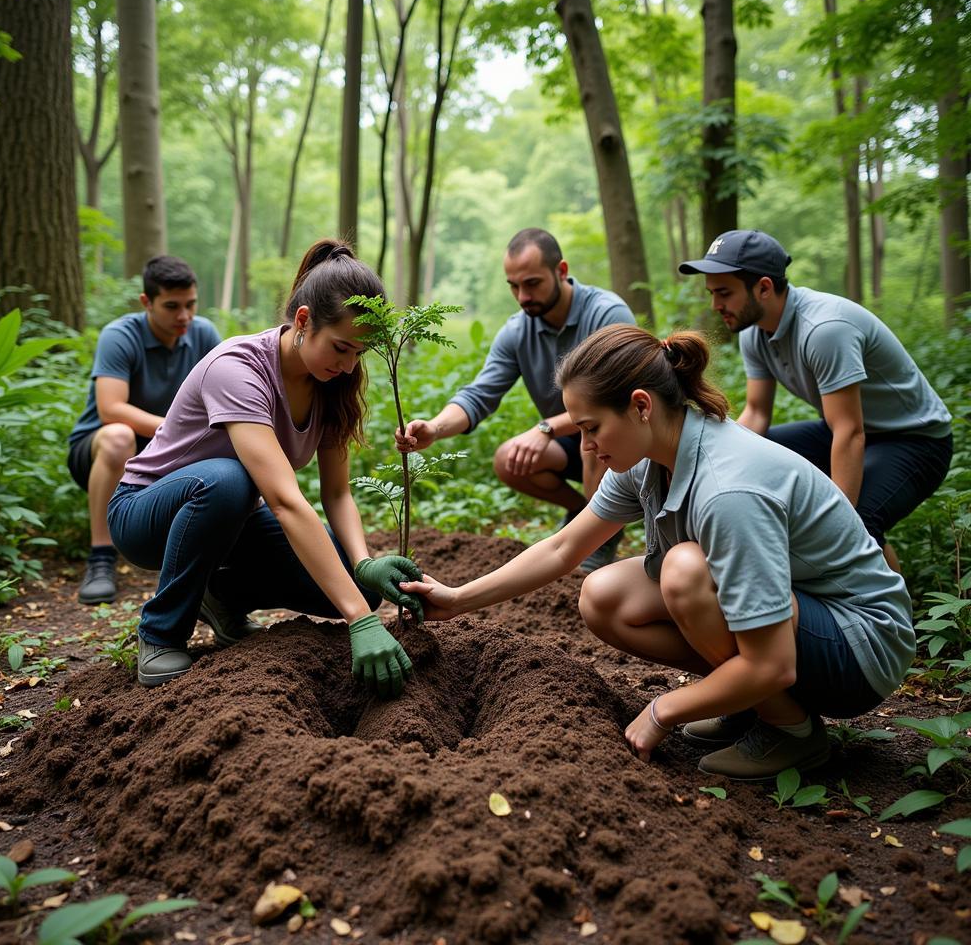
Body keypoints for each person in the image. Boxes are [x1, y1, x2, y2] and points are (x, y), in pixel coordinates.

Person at [398, 325, 915, 780]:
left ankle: (792, 732)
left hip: (860, 646)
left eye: (592, 427)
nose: (587, 446)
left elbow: (774, 663)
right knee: (603, 595)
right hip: (804, 613)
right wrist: (459, 598)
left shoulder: (728, 490)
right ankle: (752, 704)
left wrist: (664, 710)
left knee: (685, 571)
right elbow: (561, 549)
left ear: (641, 405)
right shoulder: (647, 459)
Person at [107, 239, 423, 695]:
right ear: (303, 320)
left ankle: (221, 599)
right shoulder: (237, 368)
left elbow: (336, 494)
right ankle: (160, 633)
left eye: (359, 353)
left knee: (353, 583)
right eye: (340, 348)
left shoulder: (332, 383)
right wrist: (359, 620)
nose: (350, 364)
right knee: (227, 479)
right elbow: (283, 499)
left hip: (229, 522)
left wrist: (363, 563)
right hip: (145, 512)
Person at [679, 230, 952, 568]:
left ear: (764, 287)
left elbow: (850, 432)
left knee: (859, 525)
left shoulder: (825, 329)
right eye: (711, 293)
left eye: (724, 293)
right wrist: (715, 463)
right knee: (758, 457)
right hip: (845, 430)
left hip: (915, 440)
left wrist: (838, 522)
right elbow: (756, 414)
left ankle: (889, 618)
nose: (715, 306)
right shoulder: (754, 332)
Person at [396, 227, 635, 571]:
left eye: (532, 283)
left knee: (592, 437)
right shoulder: (517, 331)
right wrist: (435, 428)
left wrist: (546, 428)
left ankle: (600, 535)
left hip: (625, 441)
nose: (522, 296)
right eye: (514, 286)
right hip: (572, 439)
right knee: (510, 458)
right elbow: (480, 394)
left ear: (562, 271)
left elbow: (616, 404)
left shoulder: (606, 315)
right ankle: (588, 514)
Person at [67, 256, 222, 605]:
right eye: (172, 306)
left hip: (164, 452)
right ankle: (101, 557)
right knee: (119, 435)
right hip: (101, 448)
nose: (184, 316)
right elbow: (110, 408)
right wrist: (174, 429)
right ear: (146, 302)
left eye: (190, 304)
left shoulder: (204, 334)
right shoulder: (120, 336)